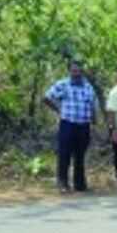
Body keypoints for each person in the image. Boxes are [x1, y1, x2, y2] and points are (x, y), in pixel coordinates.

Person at [43, 59, 98, 194]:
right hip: (68, 124)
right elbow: (46, 97)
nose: (77, 73)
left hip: (84, 126)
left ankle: (80, 184)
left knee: (80, 155)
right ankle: (63, 183)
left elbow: (93, 106)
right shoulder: (63, 84)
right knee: (65, 154)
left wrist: (94, 124)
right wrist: (58, 110)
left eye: (79, 70)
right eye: (74, 70)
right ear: (69, 71)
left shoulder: (88, 87)